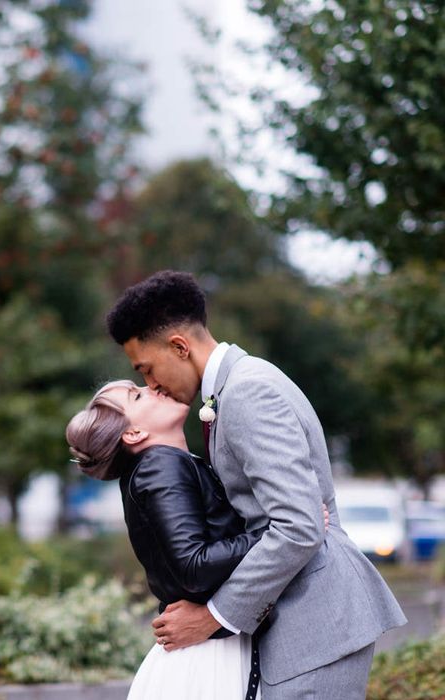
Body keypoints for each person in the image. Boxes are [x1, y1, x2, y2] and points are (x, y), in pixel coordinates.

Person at [105, 270, 407, 700]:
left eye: (147, 369)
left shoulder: (248, 393)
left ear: (179, 346)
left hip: (315, 625)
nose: (150, 384)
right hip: (299, 624)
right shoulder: (234, 389)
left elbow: (299, 527)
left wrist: (215, 616)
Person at [66, 380, 272, 698]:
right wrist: (275, 533)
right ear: (133, 434)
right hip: (208, 663)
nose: (152, 388)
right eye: (137, 396)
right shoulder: (160, 466)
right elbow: (194, 565)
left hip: (205, 653)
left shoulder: (160, 465)